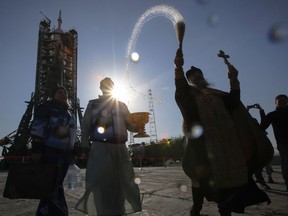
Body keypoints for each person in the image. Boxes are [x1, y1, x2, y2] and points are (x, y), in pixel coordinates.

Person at [174, 48, 271, 216]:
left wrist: (234, 79)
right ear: (190, 80)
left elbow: (234, 101)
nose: (198, 78)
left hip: (230, 146)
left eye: (199, 75)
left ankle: (224, 211)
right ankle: (197, 207)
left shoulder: (217, 95)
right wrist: (178, 68)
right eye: (194, 77)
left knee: (231, 184)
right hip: (204, 146)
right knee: (200, 180)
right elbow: (181, 89)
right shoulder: (190, 95)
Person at [75, 77, 142, 215]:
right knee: (100, 182)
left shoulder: (121, 105)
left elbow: (130, 126)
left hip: (120, 148)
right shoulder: (93, 104)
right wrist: (84, 146)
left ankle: (119, 211)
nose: (107, 86)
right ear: (100, 88)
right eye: (104, 85)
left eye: (110, 84)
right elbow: (85, 127)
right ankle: (102, 212)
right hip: (100, 147)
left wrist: (139, 126)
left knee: (121, 182)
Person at [30, 86, 77, 216]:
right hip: (50, 151)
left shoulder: (69, 113)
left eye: (65, 92)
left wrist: (75, 149)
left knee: (53, 185)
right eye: (59, 92)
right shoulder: (47, 107)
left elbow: (73, 134)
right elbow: (38, 127)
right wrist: (37, 149)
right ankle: (59, 212)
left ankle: (44, 212)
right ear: (53, 95)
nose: (63, 94)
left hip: (65, 154)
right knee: (53, 185)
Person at [259, 94, 288, 191]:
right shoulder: (273, 115)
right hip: (283, 143)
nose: (283, 102)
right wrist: (261, 112)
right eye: (280, 101)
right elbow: (262, 126)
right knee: (286, 163)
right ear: (276, 102)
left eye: (284, 100)